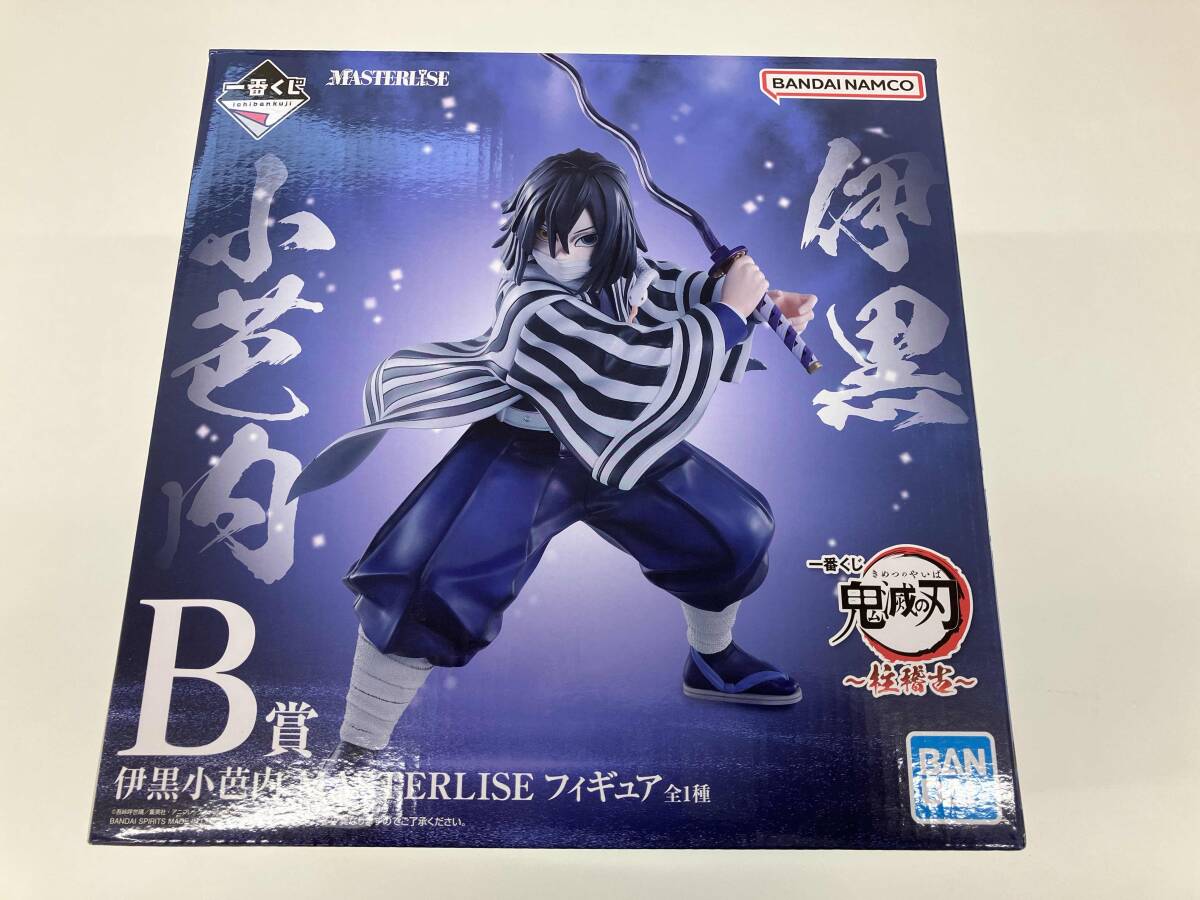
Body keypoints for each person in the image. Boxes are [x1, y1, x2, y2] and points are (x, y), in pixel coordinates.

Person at [290, 149, 817, 764]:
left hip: (615, 444)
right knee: (430, 586)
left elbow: (664, 287)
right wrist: (727, 315)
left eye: (586, 238)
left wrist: (748, 299)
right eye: (547, 233)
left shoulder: (620, 269)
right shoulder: (529, 306)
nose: (563, 252)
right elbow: (619, 361)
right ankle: (356, 752)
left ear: (611, 235)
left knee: (730, 530)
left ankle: (712, 660)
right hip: (523, 450)